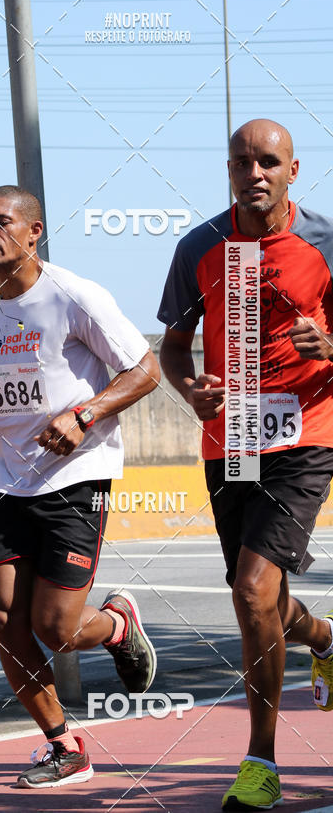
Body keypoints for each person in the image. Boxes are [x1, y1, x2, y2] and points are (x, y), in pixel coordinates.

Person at [0, 184, 160, 788]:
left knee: (57, 629)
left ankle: (119, 624)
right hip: (5, 484)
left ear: (35, 232)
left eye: (0, 222)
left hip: (74, 479)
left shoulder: (75, 296)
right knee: (5, 620)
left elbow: (145, 369)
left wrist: (85, 415)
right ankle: (64, 744)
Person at [158, 119, 333, 811]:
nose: (254, 172)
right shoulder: (199, 247)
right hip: (231, 441)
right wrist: (189, 386)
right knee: (249, 595)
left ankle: (260, 763)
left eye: (268, 161)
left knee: (256, 589)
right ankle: (324, 637)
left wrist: (330, 344)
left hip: (307, 431)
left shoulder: (325, 243)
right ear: (227, 171)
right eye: (241, 162)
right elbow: (173, 347)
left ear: (293, 170)